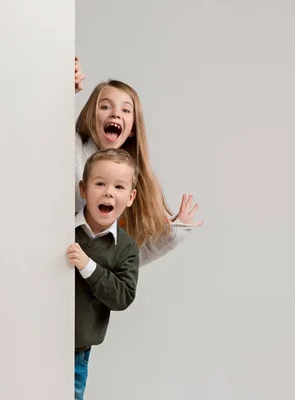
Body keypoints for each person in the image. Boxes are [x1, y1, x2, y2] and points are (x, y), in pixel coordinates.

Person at [74, 59, 202, 265]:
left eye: (126, 110)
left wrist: (174, 233)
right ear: (91, 115)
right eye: (105, 106)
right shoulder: (73, 148)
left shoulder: (134, 180)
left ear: (132, 128)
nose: (115, 113)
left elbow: (130, 258)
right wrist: (65, 89)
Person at [67, 148, 140, 400]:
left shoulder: (127, 248)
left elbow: (123, 296)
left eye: (119, 187)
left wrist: (88, 266)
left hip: (76, 350)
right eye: (100, 183)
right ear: (83, 189)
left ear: (130, 197)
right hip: (36, 336)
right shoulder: (59, 228)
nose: (109, 191)